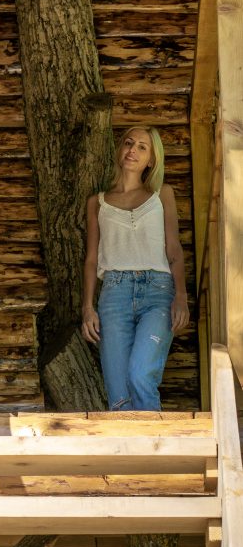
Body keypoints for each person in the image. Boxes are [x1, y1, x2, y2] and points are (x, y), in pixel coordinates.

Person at [81, 125, 189, 410]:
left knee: (141, 375)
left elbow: (173, 249)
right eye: (129, 143)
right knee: (118, 394)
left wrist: (181, 297)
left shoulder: (162, 195)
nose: (133, 150)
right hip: (113, 295)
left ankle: (155, 452)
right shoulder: (97, 203)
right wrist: (87, 307)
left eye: (143, 147)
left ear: (152, 160)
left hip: (158, 293)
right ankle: (133, 456)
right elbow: (91, 259)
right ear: (120, 150)